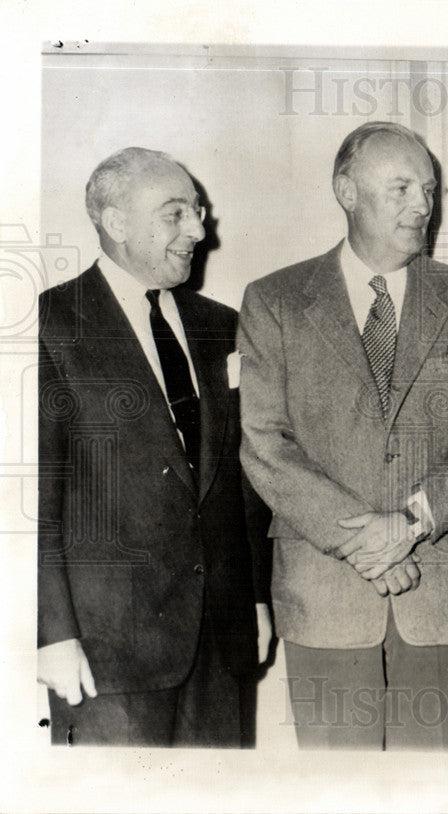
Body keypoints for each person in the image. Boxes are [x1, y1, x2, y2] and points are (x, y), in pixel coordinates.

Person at [237, 121, 448, 750]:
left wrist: (410, 524)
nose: (422, 204)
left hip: (437, 592)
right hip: (325, 596)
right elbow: (264, 444)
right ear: (346, 191)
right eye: (400, 188)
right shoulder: (275, 301)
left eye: (429, 188)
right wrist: (363, 538)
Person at [37, 147, 272, 747]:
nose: (198, 230)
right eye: (175, 214)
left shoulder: (222, 324)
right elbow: (30, 499)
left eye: (196, 211)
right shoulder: (46, 323)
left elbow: (243, 481)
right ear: (116, 224)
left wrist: (256, 600)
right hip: (103, 653)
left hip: (221, 642)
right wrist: (51, 633)